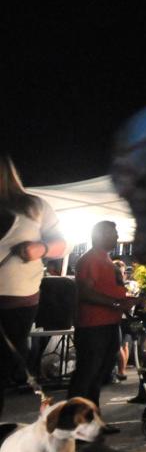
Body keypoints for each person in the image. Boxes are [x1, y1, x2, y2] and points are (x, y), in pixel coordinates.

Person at [0, 153, 67, 416]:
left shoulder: (34, 206)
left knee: (1, 369)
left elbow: (61, 245)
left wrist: (40, 248)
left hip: (18, 301)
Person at [67, 221, 135, 417]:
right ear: (99, 235)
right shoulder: (90, 260)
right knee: (87, 374)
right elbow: (86, 293)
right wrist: (116, 303)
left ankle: (92, 418)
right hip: (93, 326)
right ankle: (73, 420)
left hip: (109, 324)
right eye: (113, 233)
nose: (116, 237)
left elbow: (107, 290)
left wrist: (127, 301)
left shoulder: (105, 259)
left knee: (98, 374)